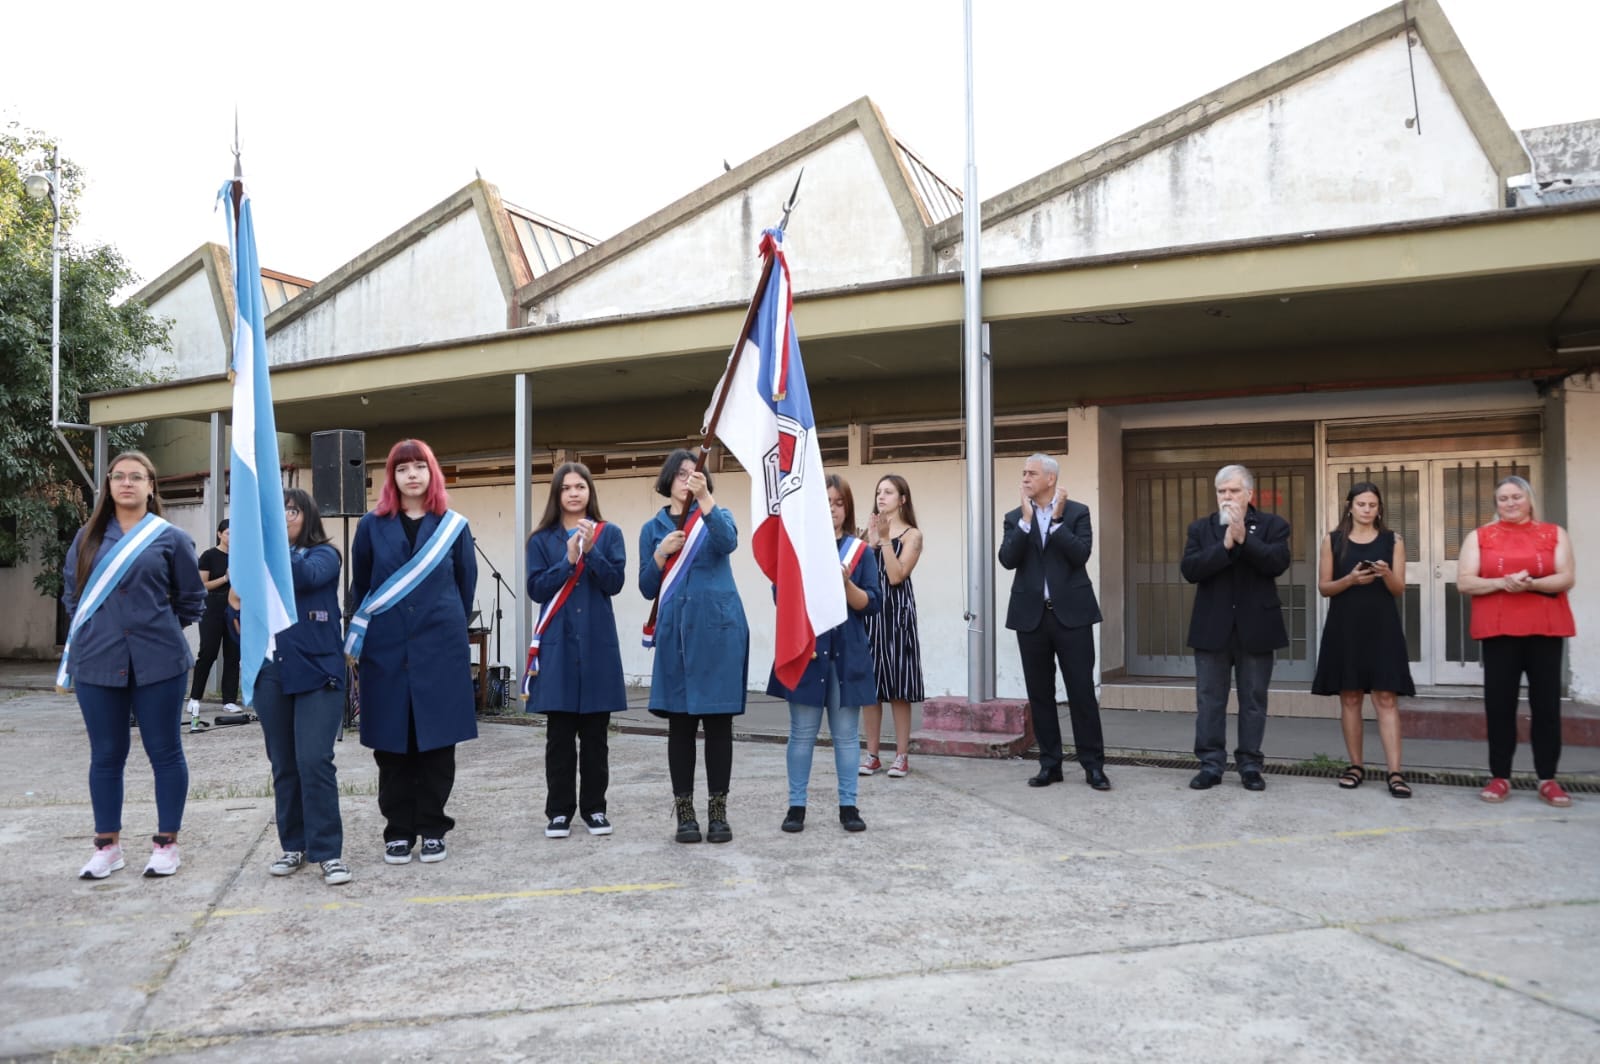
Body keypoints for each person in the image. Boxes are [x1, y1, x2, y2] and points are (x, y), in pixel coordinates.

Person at [62, 451, 206, 879]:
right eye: (118, 477)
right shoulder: (86, 538)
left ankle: (166, 844)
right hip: (98, 662)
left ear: (150, 486)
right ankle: (107, 846)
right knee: (106, 755)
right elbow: (73, 597)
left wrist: (155, 629)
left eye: (136, 477)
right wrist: (102, 633)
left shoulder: (171, 538)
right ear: (108, 485)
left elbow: (192, 599)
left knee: (165, 751)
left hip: (159, 662)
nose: (127, 483)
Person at [347, 438, 478, 865]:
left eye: (419, 466)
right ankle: (398, 830)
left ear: (431, 471)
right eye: (402, 468)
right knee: (392, 746)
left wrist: (444, 626)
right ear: (392, 477)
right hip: (386, 651)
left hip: (439, 648)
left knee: (438, 745)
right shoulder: (371, 525)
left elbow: (464, 586)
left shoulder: (453, 526)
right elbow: (361, 587)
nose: (412, 475)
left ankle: (433, 827)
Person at [639, 448, 749, 844]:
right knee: (680, 727)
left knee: (719, 725)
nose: (689, 478)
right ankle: (685, 814)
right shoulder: (653, 527)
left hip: (718, 633)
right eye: (682, 473)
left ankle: (718, 813)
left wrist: (705, 501)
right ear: (668, 479)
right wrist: (659, 554)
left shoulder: (717, 514)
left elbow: (729, 542)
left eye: (696, 474)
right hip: (676, 638)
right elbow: (646, 587)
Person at [249, 489, 352, 885]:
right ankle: (294, 844)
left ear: (307, 516)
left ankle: (328, 852)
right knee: (284, 764)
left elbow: (303, 578)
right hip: (272, 671)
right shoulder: (257, 559)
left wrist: (269, 543)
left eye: (290, 511)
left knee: (314, 760)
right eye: (277, 512)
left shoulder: (324, 555)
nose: (285, 517)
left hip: (317, 671)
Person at [769, 474, 880, 833]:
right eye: (826, 502)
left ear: (846, 508)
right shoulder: (798, 547)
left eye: (838, 503)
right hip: (807, 651)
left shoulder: (860, 552)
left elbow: (871, 604)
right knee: (802, 733)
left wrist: (845, 583)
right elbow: (780, 597)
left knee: (846, 736)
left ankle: (849, 806)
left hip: (847, 653)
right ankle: (796, 806)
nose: (832, 509)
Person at [1457, 476, 1576, 807]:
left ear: (1529, 499)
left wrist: (1530, 585)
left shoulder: (1554, 533)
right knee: (1499, 705)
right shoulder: (1480, 536)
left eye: (1516, 497)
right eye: (1503, 498)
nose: (1510, 503)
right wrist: (1502, 582)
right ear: (1496, 504)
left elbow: (1567, 577)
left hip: (1545, 629)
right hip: (1499, 631)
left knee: (1547, 706)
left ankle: (1548, 779)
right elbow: (1465, 582)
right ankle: (1499, 777)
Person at [524, 462, 627, 838]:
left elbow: (614, 582)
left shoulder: (609, 533)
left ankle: (595, 810)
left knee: (597, 738)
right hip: (558, 648)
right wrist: (568, 559)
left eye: (580, 486)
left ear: (589, 492)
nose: (573, 493)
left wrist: (591, 552)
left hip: (597, 646)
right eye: (565, 487)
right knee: (560, 738)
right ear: (557, 494)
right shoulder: (541, 539)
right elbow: (536, 589)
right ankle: (559, 812)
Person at [999, 454, 1110, 791]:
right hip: (1031, 617)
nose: (1025, 479)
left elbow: (1080, 555)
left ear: (1050, 479)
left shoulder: (1077, 512)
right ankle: (1050, 764)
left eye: (1031, 473)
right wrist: (1026, 523)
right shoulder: (1015, 517)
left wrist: (1057, 522)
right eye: (1023, 474)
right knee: (1041, 694)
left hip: (1072, 616)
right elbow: (1007, 559)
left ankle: (1093, 766)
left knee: (1081, 693)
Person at [1181, 463, 1292, 792]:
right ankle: (1211, 764)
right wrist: (1226, 545)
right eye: (1221, 491)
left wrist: (1245, 539)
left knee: (1254, 700)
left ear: (1249, 494)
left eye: (1233, 491)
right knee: (1210, 700)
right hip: (1212, 627)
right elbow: (1190, 569)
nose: (1227, 497)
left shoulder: (1274, 525)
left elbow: (1277, 563)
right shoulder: (1201, 529)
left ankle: (1250, 765)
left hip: (1257, 627)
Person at [1312, 482, 1416, 798]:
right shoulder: (1332, 540)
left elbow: (1399, 590)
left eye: (1372, 505)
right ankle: (1355, 766)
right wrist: (1351, 579)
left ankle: (1395, 773)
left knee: (1386, 697)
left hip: (1382, 626)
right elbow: (1324, 588)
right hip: (1346, 626)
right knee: (1351, 697)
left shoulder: (1393, 540)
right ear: (1350, 506)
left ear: (1379, 508)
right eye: (1361, 504)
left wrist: (1386, 574)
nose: (1367, 510)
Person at [861, 474, 924, 778]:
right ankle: (872, 754)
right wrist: (869, 541)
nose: (881, 497)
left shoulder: (912, 535)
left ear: (902, 499)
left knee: (899, 687)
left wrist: (885, 540)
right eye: (878, 492)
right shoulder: (868, 533)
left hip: (897, 615)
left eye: (888, 492)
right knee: (870, 689)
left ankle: (901, 755)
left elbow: (897, 575)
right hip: (870, 614)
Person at [187, 518, 241, 719]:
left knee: (233, 654)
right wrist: (225, 578)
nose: (231, 537)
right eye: (228, 533)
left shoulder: (240, 556)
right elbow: (202, 585)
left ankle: (229, 700)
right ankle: (194, 697)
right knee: (208, 652)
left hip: (235, 607)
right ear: (220, 534)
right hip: (212, 607)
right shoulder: (209, 555)